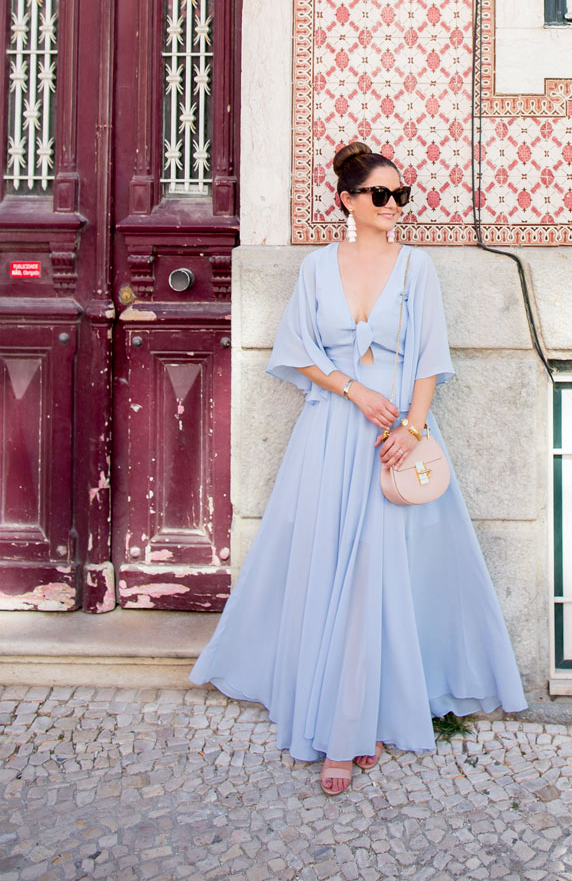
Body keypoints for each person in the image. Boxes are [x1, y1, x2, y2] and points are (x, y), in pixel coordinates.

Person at [191, 141, 526, 794]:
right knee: (329, 568)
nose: (395, 205)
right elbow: (298, 350)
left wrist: (410, 427)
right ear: (346, 200)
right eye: (382, 195)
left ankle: (368, 714)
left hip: (395, 441)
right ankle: (339, 728)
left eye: (402, 194)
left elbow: (430, 358)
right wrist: (353, 388)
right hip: (332, 434)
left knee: (380, 575)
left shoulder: (418, 268)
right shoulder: (318, 268)